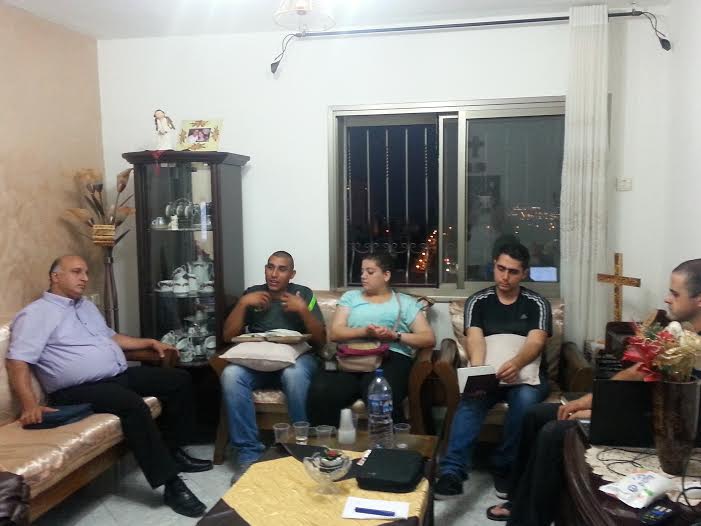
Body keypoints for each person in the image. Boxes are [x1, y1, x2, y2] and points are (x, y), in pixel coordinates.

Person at [486, 258, 701, 525]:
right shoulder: (676, 331)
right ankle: (517, 500)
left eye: (675, 294)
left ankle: (528, 519)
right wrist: (588, 401)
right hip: (640, 409)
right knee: (535, 415)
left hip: (665, 426)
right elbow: (636, 373)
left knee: (554, 432)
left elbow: (680, 412)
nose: (667, 299)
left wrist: (597, 414)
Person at [6, 255, 211, 518]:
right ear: (55, 277)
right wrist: (29, 405)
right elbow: (17, 361)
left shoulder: (85, 307)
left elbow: (112, 338)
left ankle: (174, 451)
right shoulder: (36, 314)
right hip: (75, 390)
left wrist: (148, 342)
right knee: (131, 405)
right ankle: (171, 485)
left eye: (86, 272)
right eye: (76, 272)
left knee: (178, 380)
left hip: (115, 376)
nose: (84, 278)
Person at [435, 242, 552, 500]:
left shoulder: (537, 303)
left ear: (524, 273)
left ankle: (506, 467)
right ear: (494, 266)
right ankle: (452, 472)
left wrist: (517, 363)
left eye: (513, 271)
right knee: (470, 402)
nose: (505, 277)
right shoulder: (478, 301)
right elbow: (475, 338)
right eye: (501, 269)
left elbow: (536, 342)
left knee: (525, 402)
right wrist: (479, 370)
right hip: (488, 372)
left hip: (526, 377)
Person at [220, 251, 326, 480]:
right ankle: (249, 455)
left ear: (292, 274)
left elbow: (321, 341)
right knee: (231, 375)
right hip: (258, 361)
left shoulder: (303, 294)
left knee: (294, 375)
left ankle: (300, 448)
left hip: (297, 360)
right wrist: (243, 303)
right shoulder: (252, 293)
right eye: (270, 267)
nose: (274, 274)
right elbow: (228, 335)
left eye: (281, 269)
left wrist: (302, 310)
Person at [306, 252, 436, 427]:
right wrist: (365, 331)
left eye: (370, 272)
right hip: (350, 357)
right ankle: (326, 442)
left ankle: (386, 443)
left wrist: (395, 336)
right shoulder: (350, 298)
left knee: (379, 394)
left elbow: (428, 338)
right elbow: (335, 333)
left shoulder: (405, 302)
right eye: (362, 271)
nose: (363, 276)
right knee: (321, 390)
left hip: (391, 357)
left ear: (386, 275)